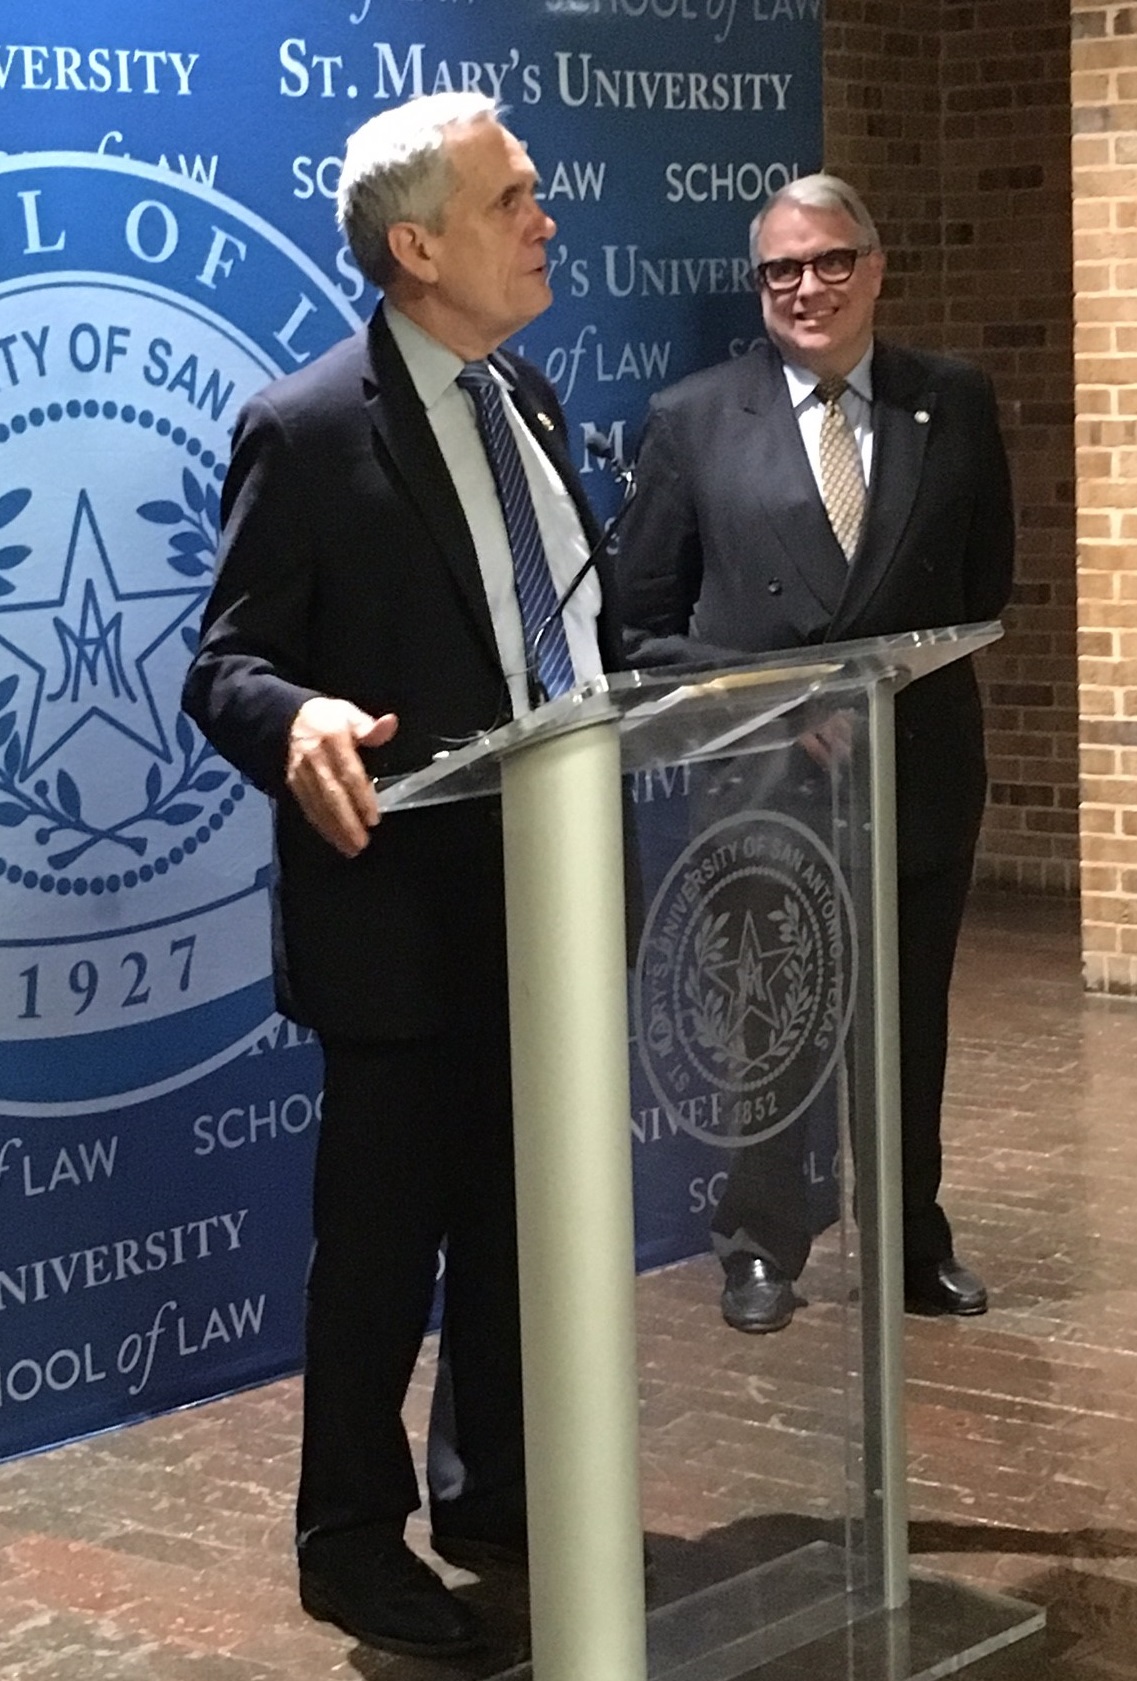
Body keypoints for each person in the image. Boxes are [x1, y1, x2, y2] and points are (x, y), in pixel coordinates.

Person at [182, 92, 621, 1658]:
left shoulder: (537, 406)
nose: (544, 219)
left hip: (552, 910)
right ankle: (349, 1542)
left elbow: (569, 642)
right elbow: (224, 660)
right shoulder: (304, 431)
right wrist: (295, 712)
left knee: (524, 1223)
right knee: (381, 1253)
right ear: (417, 244)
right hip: (400, 922)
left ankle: (495, 1491)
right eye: (514, 200)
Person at [617, 173, 1014, 1335]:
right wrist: (786, 698)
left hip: (920, 777)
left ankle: (908, 1239)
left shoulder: (956, 401)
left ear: (876, 268)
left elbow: (983, 588)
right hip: (765, 788)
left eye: (832, 261)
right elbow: (639, 624)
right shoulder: (693, 418)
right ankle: (758, 1242)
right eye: (782, 271)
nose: (808, 288)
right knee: (766, 1033)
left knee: (908, 1027)